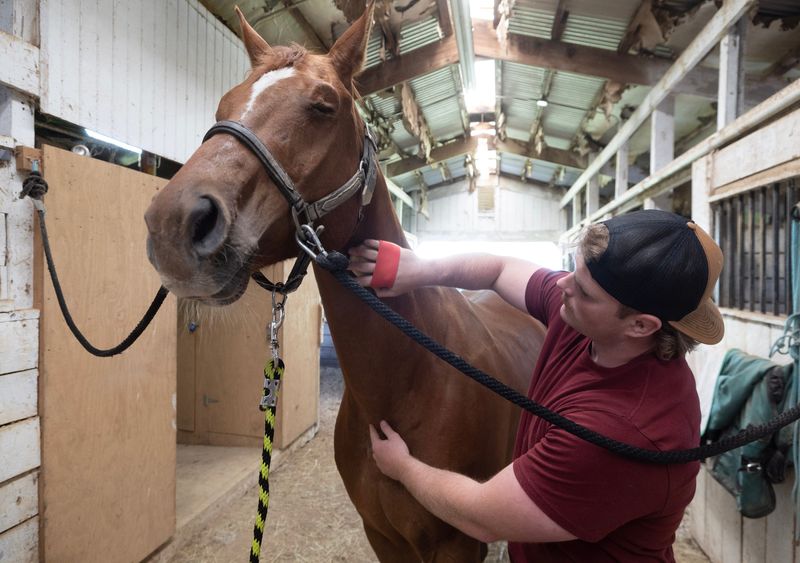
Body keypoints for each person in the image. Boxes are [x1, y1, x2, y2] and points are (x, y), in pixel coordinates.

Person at [347, 209, 724, 562]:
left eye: (585, 290)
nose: (562, 284)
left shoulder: (624, 430)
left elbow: (482, 517)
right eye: (574, 272)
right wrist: (421, 270)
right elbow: (498, 269)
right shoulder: (589, 322)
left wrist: (403, 467)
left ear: (641, 325)